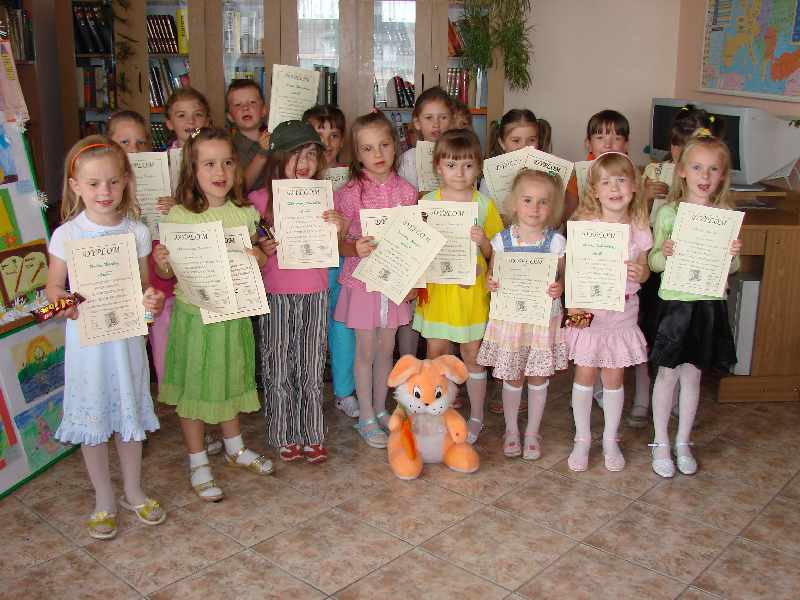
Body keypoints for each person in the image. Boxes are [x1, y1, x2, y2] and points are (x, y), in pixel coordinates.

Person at [46, 136, 166, 539]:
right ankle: (103, 498)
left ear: (126, 181)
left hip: (126, 343)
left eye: (113, 182)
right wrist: (63, 303)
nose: (105, 191)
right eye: (94, 183)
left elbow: (145, 287)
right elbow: (52, 289)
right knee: (94, 421)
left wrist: (152, 300)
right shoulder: (66, 234)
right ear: (75, 185)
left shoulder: (137, 232)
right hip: (88, 346)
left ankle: (133, 491)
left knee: (129, 417)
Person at [153, 128, 273, 502]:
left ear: (236, 168)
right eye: (209, 164)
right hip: (195, 321)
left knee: (230, 379)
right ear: (193, 170)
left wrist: (259, 256)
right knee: (194, 387)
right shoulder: (179, 216)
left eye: (227, 162)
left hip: (233, 318)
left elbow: (257, 258)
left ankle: (235, 446)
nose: (219, 171)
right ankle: (197, 459)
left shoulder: (245, 213)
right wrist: (162, 261)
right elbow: (168, 273)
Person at [249, 120, 345, 464]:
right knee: (278, 364)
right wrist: (262, 245)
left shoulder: (324, 196)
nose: (304, 163)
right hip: (276, 292)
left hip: (315, 291)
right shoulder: (259, 200)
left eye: (311, 155)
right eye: (295, 155)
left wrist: (339, 227)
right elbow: (251, 248)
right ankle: (283, 433)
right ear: (278, 158)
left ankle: (312, 433)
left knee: (311, 365)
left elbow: (335, 244)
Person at [647, 132, 741, 478]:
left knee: (693, 375)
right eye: (698, 167)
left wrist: (733, 254)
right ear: (683, 171)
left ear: (722, 175)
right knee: (667, 375)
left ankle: (683, 441)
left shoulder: (726, 216)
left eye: (713, 169)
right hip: (676, 306)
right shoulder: (669, 213)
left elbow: (733, 268)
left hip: (707, 305)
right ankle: (660, 442)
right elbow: (654, 263)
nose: (705, 176)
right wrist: (665, 252)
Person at [631, 106, 722, 428]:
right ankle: (644, 397)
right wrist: (645, 196)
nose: (682, 149)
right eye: (679, 144)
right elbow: (638, 219)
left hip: (692, 276)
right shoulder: (655, 171)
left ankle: (675, 404)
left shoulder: (707, 186)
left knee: (686, 355)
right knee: (651, 336)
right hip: (657, 261)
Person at [413, 128, 504, 444]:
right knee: (436, 353)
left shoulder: (484, 205)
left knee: (472, 355)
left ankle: (476, 416)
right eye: (451, 165)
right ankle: (436, 412)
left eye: (468, 165)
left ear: (478, 167)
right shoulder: (427, 203)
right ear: (438, 167)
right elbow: (416, 247)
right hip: (438, 294)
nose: (460, 173)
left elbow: (496, 254)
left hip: (470, 295)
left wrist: (484, 242)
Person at [334, 112, 418, 448]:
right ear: (357, 154)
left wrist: (414, 281)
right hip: (363, 284)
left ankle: (381, 408)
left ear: (395, 146)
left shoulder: (407, 191)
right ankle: (366, 415)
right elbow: (338, 244)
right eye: (368, 148)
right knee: (365, 350)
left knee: (387, 348)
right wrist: (354, 246)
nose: (378, 154)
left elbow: (414, 242)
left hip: (394, 283)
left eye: (383, 145)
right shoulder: (349, 193)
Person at [565, 151, 652, 472]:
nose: (614, 188)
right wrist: (574, 310)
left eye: (621, 180)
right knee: (585, 373)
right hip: (587, 312)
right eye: (606, 182)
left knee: (614, 376)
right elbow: (572, 270)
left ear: (634, 186)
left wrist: (640, 273)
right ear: (595, 191)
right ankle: (582, 438)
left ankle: (610, 439)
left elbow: (644, 270)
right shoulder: (584, 226)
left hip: (622, 314)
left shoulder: (639, 228)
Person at [477, 169, 567, 460]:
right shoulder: (501, 241)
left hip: (542, 320)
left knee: (538, 377)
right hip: (512, 320)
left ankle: (532, 432)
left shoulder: (556, 242)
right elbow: (492, 274)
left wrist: (560, 286)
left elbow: (564, 276)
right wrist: (491, 282)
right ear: (514, 204)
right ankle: (512, 430)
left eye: (543, 202)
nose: (534, 208)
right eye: (527, 200)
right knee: (513, 376)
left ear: (552, 207)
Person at [303, 104, 358, 418]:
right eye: (318, 134)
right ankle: (306, 391)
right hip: (307, 264)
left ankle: (344, 391)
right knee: (309, 330)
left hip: (340, 262)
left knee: (341, 327)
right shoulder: (294, 178)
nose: (326, 142)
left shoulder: (350, 177)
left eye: (334, 135)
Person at [397, 86, 453, 357]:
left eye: (443, 117)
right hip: (417, 242)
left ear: (452, 120)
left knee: (444, 304)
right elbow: (401, 202)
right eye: (429, 118)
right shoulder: (408, 159)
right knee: (412, 306)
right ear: (417, 123)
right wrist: (421, 200)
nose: (436, 124)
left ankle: (446, 362)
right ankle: (408, 362)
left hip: (448, 241)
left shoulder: (457, 156)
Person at [479, 108, 540, 222]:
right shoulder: (489, 179)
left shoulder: (544, 176)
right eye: (516, 140)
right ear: (502, 143)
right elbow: (483, 217)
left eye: (531, 140)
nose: (524, 147)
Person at [226, 79, 269, 192]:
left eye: (252, 102)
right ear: (230, 116)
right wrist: (262, 155)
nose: (245, 108)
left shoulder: (277, 137)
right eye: (238, 104)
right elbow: (239, 189)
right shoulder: (229, 149)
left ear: (263, 110)